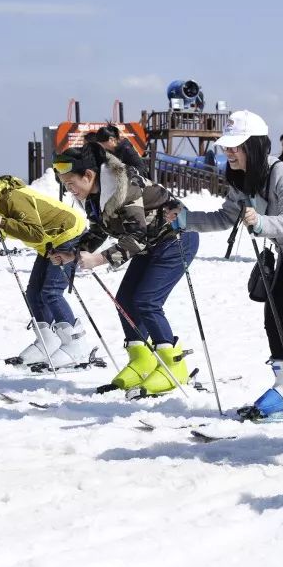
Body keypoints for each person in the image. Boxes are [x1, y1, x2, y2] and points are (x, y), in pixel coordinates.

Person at [166, 110, 283, 423]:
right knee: (274, 318)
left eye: (235, 146)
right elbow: (226, 216)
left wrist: (260, 221)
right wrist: (186, 220)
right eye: (226, 147)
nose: (229, 152)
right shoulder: (241, 178)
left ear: (253, 146)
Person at [50, 143, 199, 396]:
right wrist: (72, 253)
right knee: (126, 300)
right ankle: (142, 359)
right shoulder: (93, 195)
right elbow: (99, 229)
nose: (69, 190)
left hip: (175, 240)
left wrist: (98, 259)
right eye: (65, 185)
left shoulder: (124, 188)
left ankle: (174, 366)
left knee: (147, 301)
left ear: (88, 176)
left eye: (70, 183)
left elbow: (137, 237)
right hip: (150, 244)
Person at [0, 171, 92, 369]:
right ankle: (48, 341)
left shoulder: (12, 197)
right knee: (34, 293)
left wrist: (2, 222)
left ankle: (77, 344)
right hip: (49, 241)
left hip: (68, 233)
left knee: (51, 292)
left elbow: (34, 233)